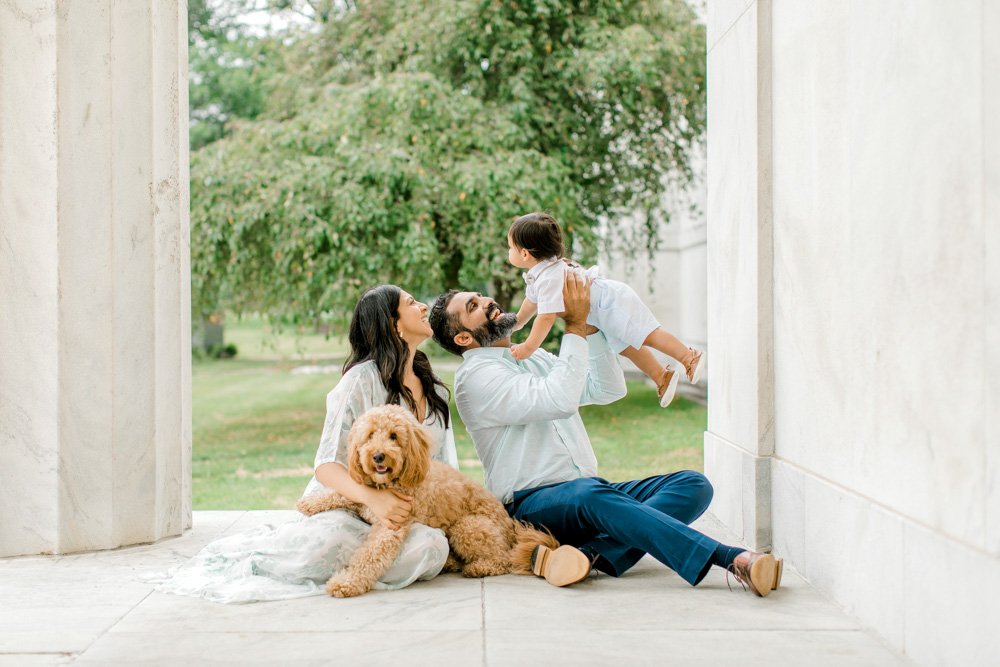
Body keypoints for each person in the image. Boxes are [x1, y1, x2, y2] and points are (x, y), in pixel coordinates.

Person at [428, 272, 783, 596]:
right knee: (591, 494)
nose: (487, 302)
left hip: (587, 493)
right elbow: (560, 399)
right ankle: (732, 560)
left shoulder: (532, 359)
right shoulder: (475, 379)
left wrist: (592, 325)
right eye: (473, 306)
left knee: (692, 485)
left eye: (481, 296)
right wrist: (574, 326)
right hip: (528, 503)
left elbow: (606, 388)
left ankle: (587, 556)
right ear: (463, 337)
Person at [149, 285, 458, 603]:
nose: (423, 307)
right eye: (411, 303)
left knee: (432, 547)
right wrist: (373, 499)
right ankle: (329, 559)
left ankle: (364, 559)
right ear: (394, 324)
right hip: (350, 503)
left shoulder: (435, 392)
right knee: (326, 543)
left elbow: (445, 468)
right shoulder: (359, 382)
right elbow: (326, 465)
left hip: (406, 513)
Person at [506, 211, 704, 408]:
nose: (508, 251)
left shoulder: (549, 277)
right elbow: (531, 302)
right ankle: (661, 376)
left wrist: (528, 347)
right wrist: (517, 322)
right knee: (626, 348)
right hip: (600, 315)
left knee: (646, 335)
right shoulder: (539, 276)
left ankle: (688, 356)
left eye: (510, 247)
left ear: (525, 253)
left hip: (611, 302)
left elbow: (546, 317)